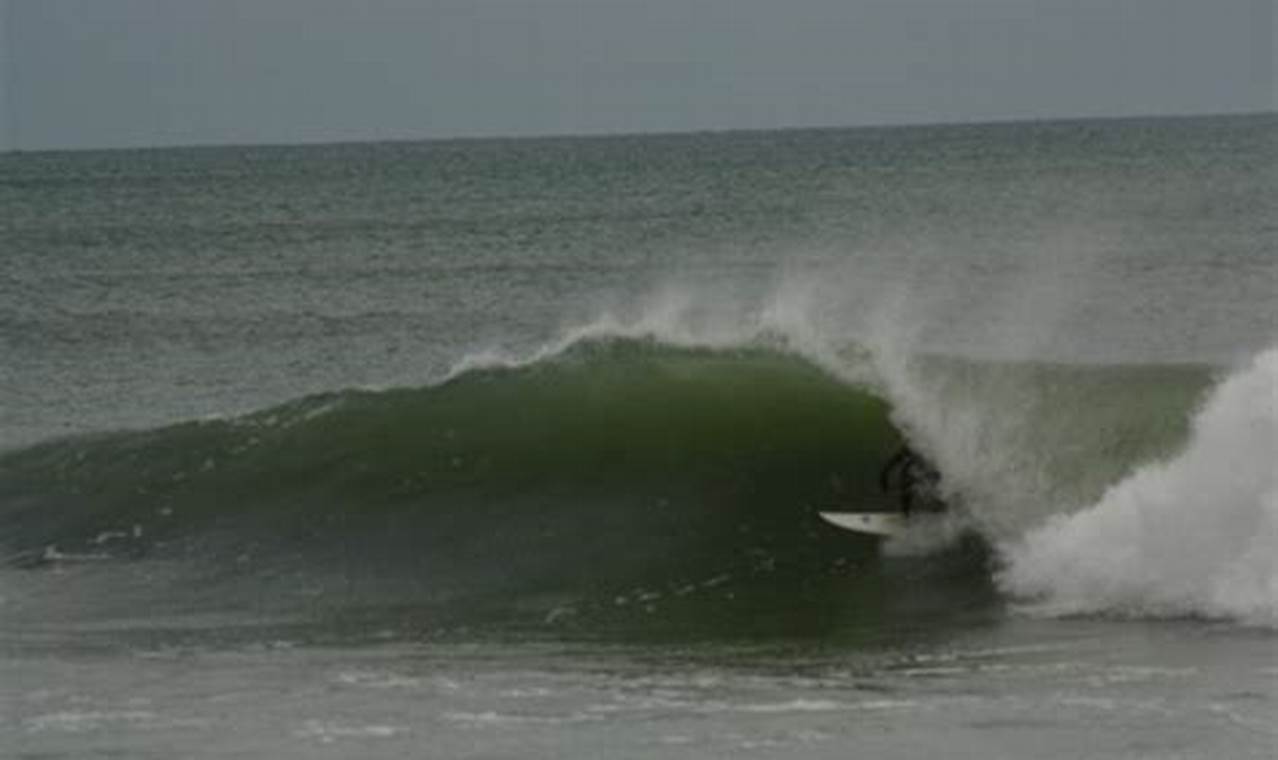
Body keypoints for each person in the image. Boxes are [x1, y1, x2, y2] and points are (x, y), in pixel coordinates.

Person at [879, 445, 942, 517]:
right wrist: (884, 476)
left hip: (939, 470)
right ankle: (906, 513)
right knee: (908, 476)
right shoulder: (915, 446)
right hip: (925, 470)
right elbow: (893, 462)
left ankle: (940, 507)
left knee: (935, 479)